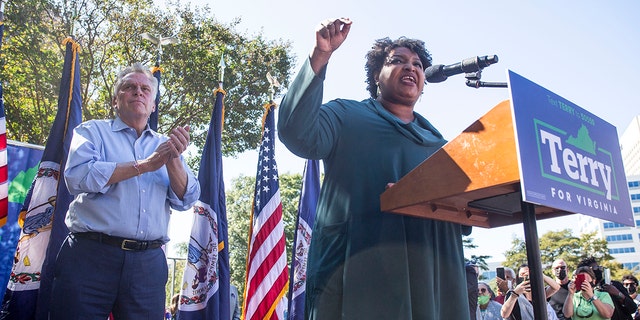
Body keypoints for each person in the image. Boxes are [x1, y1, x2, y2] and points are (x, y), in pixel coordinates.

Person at [277, 17, 469, 319]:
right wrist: (321, 55)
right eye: (398, 61)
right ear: (376, 75)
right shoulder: (345, 115)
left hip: (428, 284)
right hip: (356, 277)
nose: (411, 68)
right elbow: (295, 132)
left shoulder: (442, 147)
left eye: (418, 65)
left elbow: (465, 214)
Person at [49, 62, 201, 319]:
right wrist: (147, 165)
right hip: (90, 257)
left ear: (153, 105)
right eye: (129, 87)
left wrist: (173, 157)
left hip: (147, 265)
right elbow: (78, 176)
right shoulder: (91, 131)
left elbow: (187, 198)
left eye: (144, 89)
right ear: (115, 101)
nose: (138, 92)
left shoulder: (165, 144)